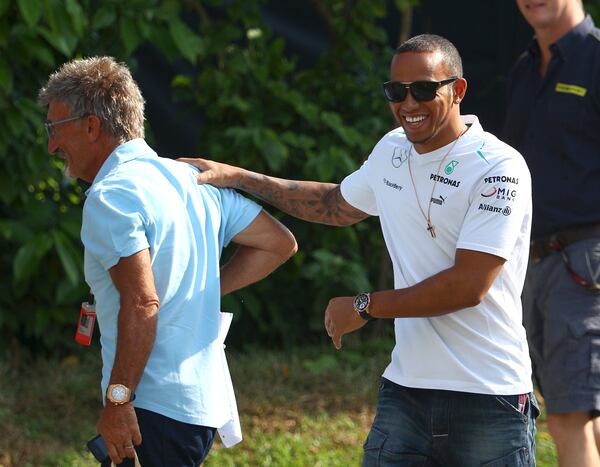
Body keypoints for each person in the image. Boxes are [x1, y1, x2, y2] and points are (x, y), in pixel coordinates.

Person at [179, 34, 538, 466]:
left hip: (488, 396)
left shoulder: (499, 166)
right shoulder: (391, 151)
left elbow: (468, 286)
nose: (409, 103)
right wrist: (238, 177)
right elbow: (334, 205)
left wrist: (367, 306)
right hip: (407, 390)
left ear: (457, 90)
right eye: (396, 91)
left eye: (424, 89)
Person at [38, 56, 297, 467]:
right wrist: (201, 288)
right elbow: (279, 243)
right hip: (199, 409)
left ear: (91, 126)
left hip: (150, 408)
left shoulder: (110, 196)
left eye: (54, 129)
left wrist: (119, 400)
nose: (51, 144)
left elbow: (143, 303)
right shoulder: (192, 180)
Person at [502, 1, 600, 465]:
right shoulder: (525, 68)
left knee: (567, 414)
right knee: (581, 412)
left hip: (585, 262)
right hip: (529, 263)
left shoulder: (595, 58)